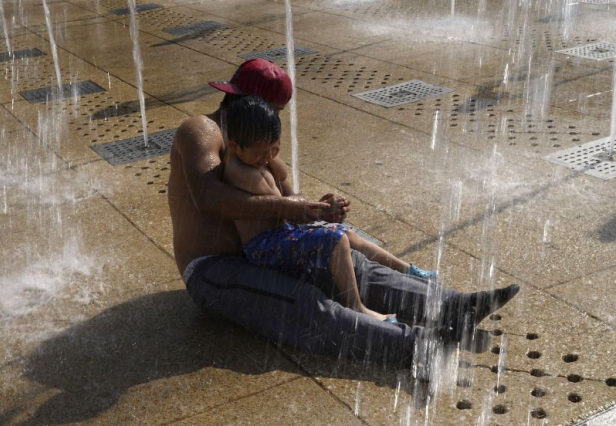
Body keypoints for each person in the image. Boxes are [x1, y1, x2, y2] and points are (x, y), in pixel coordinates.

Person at [168, 58, 519, 366]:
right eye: (272, 111)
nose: (274, 122)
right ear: (249, 102)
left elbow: (291, 195)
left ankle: (453, 307)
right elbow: (208, 197)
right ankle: (417, 347)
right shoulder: (201, 130)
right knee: (302, 302)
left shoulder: (255, 140)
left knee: (349, 259)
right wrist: (290, 207)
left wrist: (320, 210)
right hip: (215, 268)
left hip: (268, 249)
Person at [223, 95, 439, 323]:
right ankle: (357, 308)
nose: (267, 158)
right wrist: (321, 211)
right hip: (264, 249)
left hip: (280, 236)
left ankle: (407, 269)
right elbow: (283, 208)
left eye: (274, 149)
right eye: (260, 153)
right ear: (235, 146)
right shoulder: (239, 171)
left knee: (347, 233)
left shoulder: (254, 159)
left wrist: (321, 206)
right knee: (335, 239)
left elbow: (283, 176)